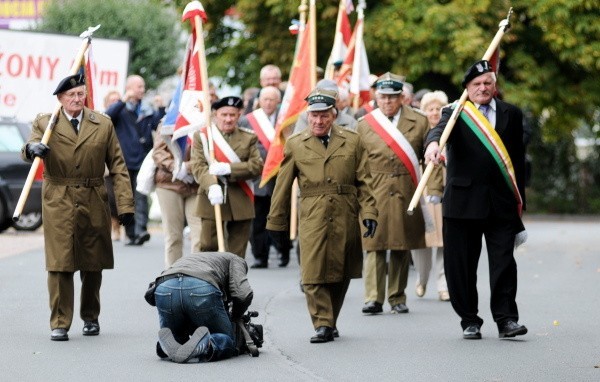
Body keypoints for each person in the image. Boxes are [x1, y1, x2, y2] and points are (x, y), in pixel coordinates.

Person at [21, 73, 134, 341]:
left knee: (92, 261)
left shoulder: (102, 124)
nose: (77, 99)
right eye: (71, 95)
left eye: (81, 94)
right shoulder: (46, 123)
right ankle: (59, 321)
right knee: (60, 262)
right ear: (60, 98)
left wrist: (125, 204)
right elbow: (26, 149)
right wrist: (32, 148)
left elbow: (118, 166)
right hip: (58, 197)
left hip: (93, 196)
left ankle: (91, 317)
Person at [424, 60, 528, 340]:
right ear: (467, 89)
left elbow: (517, 162)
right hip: (462, 202)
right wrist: (433, 146)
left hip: (502, 202)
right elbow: (436, 133)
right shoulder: (455, 112)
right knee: (461, 266)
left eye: (487, 83)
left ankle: (506, 320)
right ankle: (469, 319)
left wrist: (521, 207)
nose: (483, 88)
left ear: (495, 85)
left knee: (504, 264)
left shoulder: (511, 114)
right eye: (476, 84)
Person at [267, 87, 378, 343]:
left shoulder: (353, 140)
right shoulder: (296, 144)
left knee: (341, 271)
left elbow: (365, 181)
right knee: (312, 273)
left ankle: (330, 320)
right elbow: (282, 186)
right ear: (308, 116)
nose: (318, 120)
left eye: (324, 115)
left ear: (334, 115)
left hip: (345, 212)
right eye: (314, 115)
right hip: (312, 215)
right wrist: (276, 221)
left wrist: (370, 212)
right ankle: (322, 324)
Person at [356, 72, 432, 315]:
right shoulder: (365, 124)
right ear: (376, 98)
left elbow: (429, 156)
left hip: (405, 189)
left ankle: (397, 297)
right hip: (374, 190)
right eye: (383, 97)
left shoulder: (419, 121)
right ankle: (372, 298)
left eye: (392, 97)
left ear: (402, 98)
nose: (387, 102)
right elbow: (357, 163)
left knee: (401, 244)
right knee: (374, 244)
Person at [190, 96, 263, 258]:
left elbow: (256, 166)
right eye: (224, 115)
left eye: (232, 115)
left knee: (237, 253)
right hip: (211, 197)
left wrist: (229, 168)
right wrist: (211, 185)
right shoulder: (203, 136)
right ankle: (209, 282)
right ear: (216, 115)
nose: (228, 119)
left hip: (240, 197)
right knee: (208, 247)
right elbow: (198, 165)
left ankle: (233, 282)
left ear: (239, 115)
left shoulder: (249, 137)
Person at [150, 252, 253, 363]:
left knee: (176, 334)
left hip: (164, 287)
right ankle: (208, 343)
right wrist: (235, 316)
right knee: (227, 339)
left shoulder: (189, 258)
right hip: (201, 288)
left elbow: (150, 295)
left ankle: (166, 345)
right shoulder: (236, 259)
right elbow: (243, 294)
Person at [105, 74, 165, 246]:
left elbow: (157, 126)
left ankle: (141, 231)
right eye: (139, 87)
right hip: (122, 160)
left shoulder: (145, 109)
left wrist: (160, 109)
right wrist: (123, 100)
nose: (142, 90)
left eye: (143, 86)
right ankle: (131, 233)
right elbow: (107, 117)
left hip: (142, 160)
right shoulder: (120, 108)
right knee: (125, 199)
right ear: (130, 88)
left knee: (141, 196)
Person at [239, 86, 291, 268]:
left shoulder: (286, 120)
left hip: (280, 177)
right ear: (259, 101)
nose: (268, 103)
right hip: (257, 178)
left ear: (278, 101)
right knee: (258, 219)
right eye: (265, 99)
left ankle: (283, 250)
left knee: (280, 217)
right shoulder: (247, 121)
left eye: (272, 99)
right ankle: (260, 256)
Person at [411, 90, 450, 302]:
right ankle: (421, 279)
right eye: (430, 109)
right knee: (421, 239)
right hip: (423, 189)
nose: (434, 113)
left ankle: (443, 284)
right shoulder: (418, 131)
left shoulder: (449, 130)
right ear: (424, 111)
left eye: (438, 109)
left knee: (444, 240)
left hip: (444, 189)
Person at [152, 125, 202, 268]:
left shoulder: (204, 118)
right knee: (173, 237)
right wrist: (176, 167)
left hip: (196, 183)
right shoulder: (169, 120)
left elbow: (210, 152)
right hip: (169, 184)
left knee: (200, 235)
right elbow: (158, 152)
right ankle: (173, 277)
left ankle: (198, 277)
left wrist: (189, 167)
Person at [293, 79, 357, 133]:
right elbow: (296, 144)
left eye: (332, 95)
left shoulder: (350, 122)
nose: (318, 121)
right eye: (314, 115)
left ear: (338, 99)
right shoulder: (305, 118)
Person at [103, 90, 123, 241]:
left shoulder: (125, 118)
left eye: (118, 100)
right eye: (112, 101)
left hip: (124, 165)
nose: (116, 103)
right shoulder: (103, 119)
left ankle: (124, 227)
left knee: (124, 198)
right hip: (108, 167)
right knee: (110, 198)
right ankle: (114, 226)